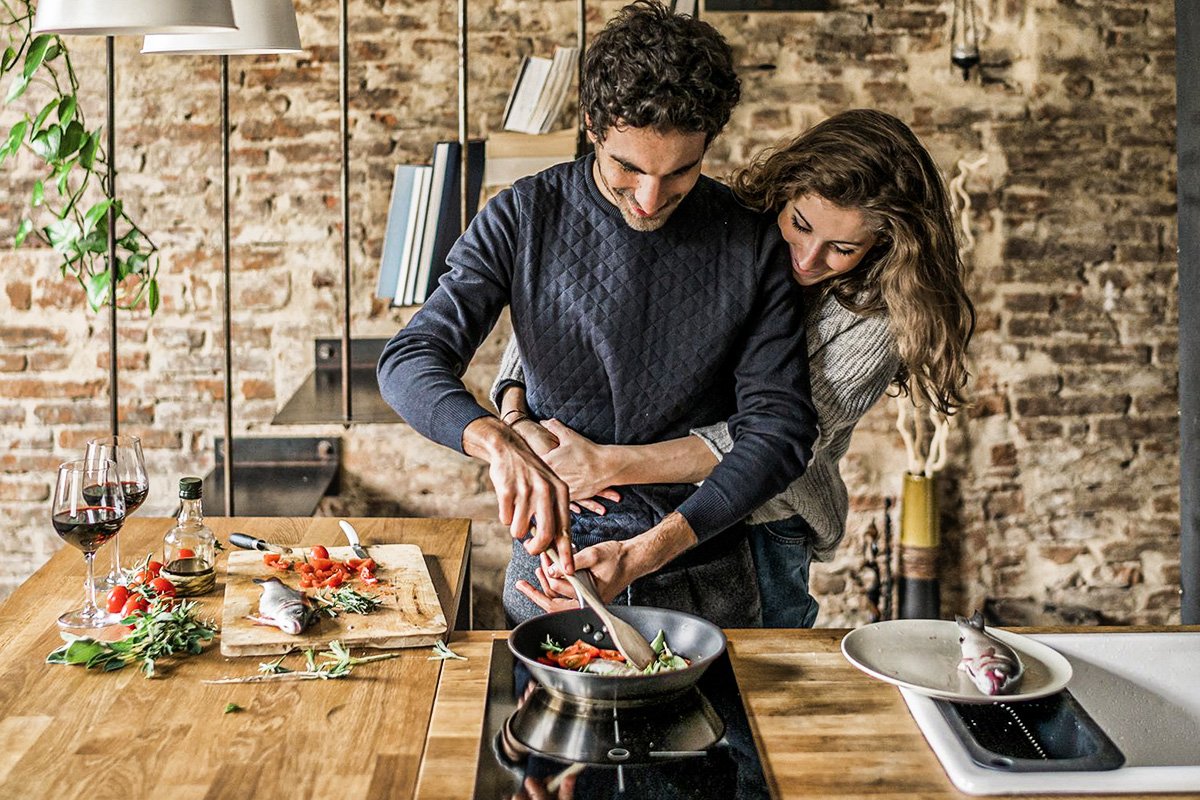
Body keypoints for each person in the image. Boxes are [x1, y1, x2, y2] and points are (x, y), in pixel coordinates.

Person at [377, 0, 819, 627]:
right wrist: (498, 440)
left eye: (680, 173)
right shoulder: (523, 216)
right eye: (628, 168)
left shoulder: (750, 243)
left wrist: (644, 554)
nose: (649, 198)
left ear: (709, 144)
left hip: (703, 563)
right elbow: (409, 360)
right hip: (555, 565)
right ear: (592, 124)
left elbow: (779, 430)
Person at [496, 108, 976, 626]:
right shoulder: (726, 229)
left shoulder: (880, 322)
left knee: (749, 683)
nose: (807, 259)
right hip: (631, 498)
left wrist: (606, 464)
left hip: (764, 524)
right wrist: (515, 413)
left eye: (842, 248)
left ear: (884, 245)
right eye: (800, 225)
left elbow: (769, 442)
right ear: (784, 194)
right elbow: (572, 312)